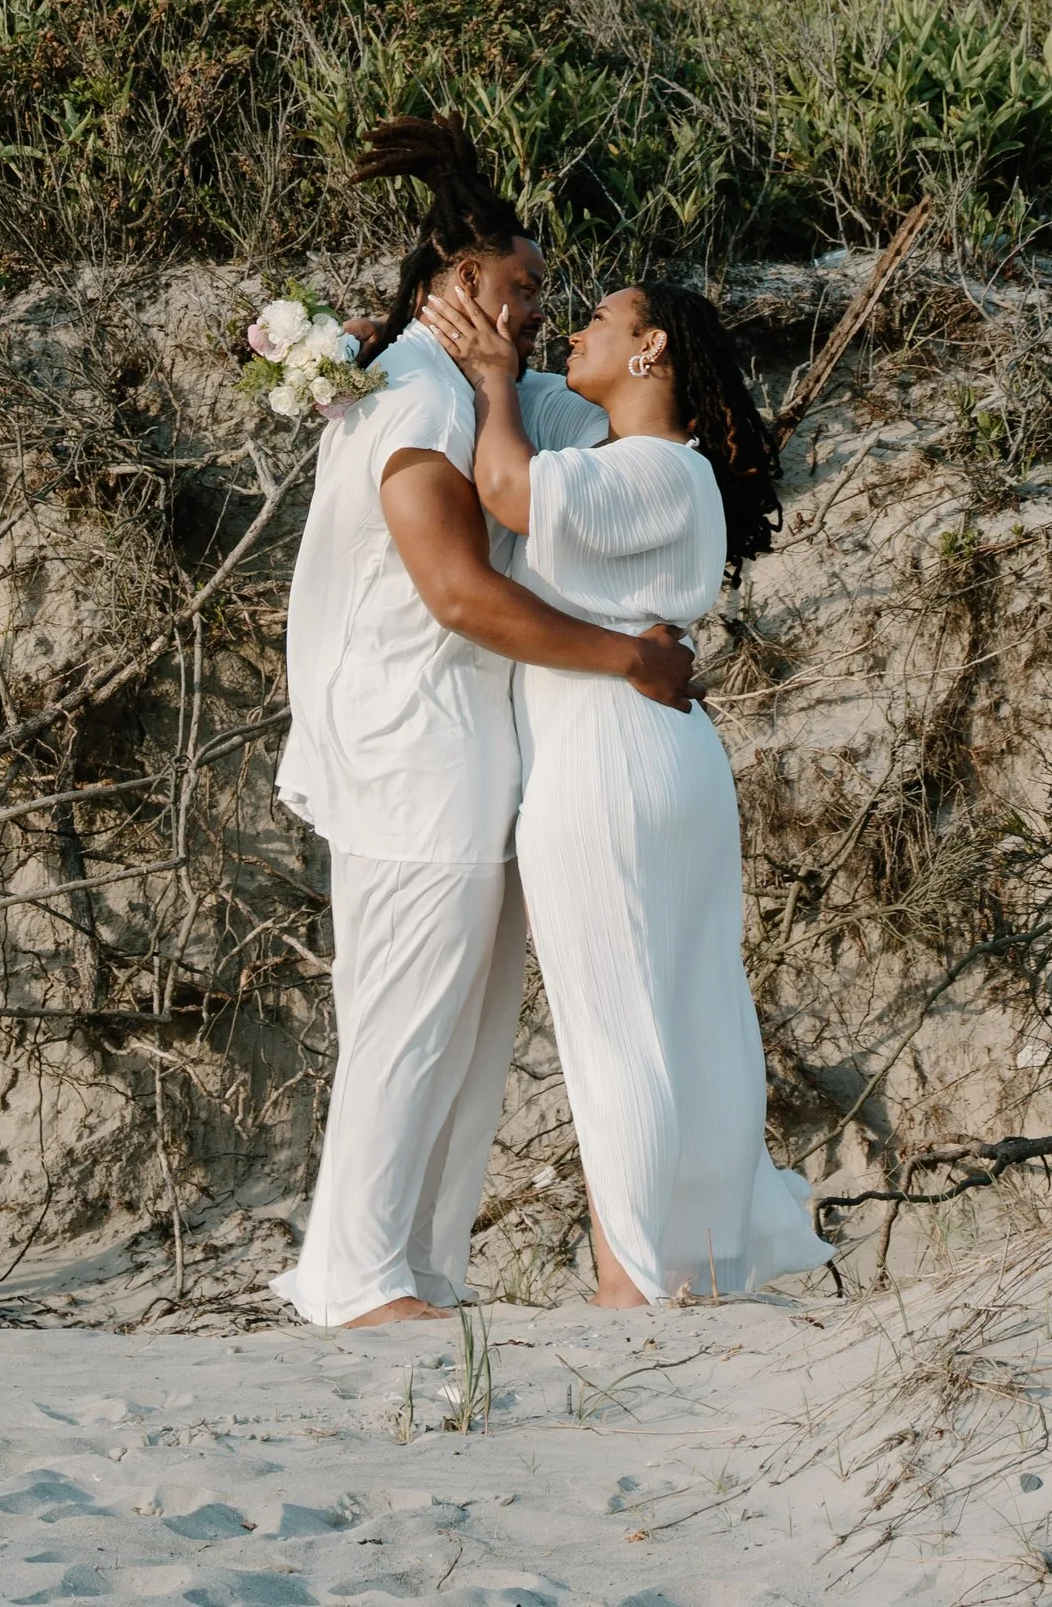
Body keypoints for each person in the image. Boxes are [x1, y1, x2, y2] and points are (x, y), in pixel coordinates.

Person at [273, 119, 696, 1331]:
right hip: (413, 745)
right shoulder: (411, 397)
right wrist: (631, 660)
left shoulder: (467, 390)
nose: (533, 311)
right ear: (459, 287)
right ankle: (354, 1277)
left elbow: (607, 424)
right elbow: (457, 591)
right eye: (520, 289)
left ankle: (415, 1265)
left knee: (461, 1024)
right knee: (409, 1017)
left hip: (470, 745)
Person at [420, 271, 822, 1309]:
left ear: (649, 353)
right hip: (641, 755)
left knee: (620, 1024)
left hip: (609, 762)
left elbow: (508, 491)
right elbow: (517, 443)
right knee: (679, 1009)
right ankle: (689, 1262)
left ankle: (637, 1281)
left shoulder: (655, 467)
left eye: (601, 318)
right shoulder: (634, 460)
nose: (579, 328)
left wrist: (499, 376)